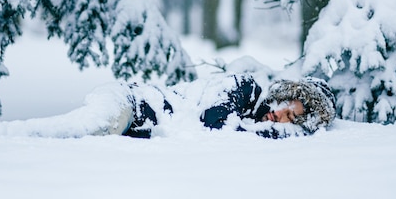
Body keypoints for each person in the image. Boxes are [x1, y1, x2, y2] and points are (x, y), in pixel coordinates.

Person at [122, 74, 336, 139]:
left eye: (290, 117)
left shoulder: (254, 122)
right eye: (285, 106)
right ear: (282, 94)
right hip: (131, 102)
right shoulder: (246, 87)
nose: (280, 115)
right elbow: (214, 122)